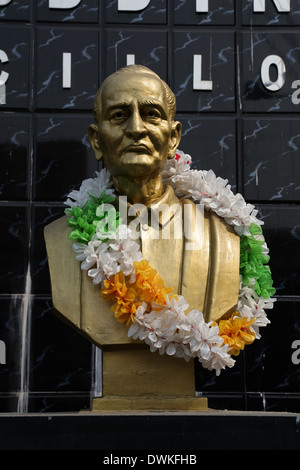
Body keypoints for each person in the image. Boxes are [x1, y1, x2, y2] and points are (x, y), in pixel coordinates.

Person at [44, 65, 240, 410]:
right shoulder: (62, 238)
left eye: (151, 114)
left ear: (173, 137)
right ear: (96, 140)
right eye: (119, 116)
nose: (136, 128)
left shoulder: (222, 238)